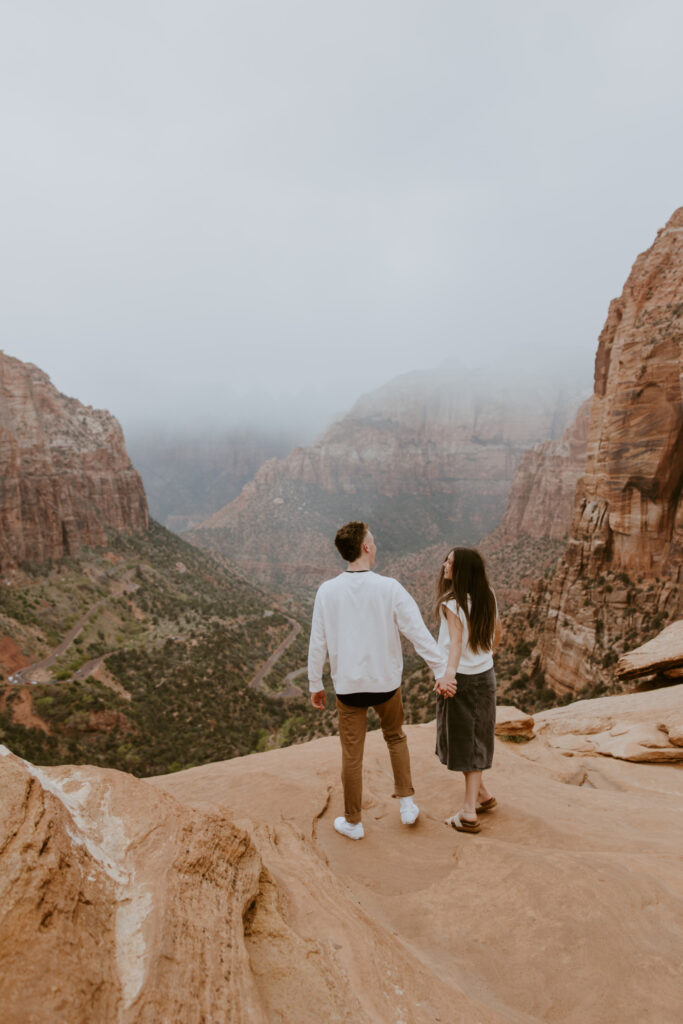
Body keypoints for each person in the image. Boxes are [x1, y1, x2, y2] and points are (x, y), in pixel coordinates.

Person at [308, 521, 448, 841]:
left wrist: (315, 683)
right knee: (395, 737)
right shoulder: (390, 587)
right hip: (386, 683)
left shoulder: (327, 591)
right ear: (366, 547)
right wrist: (439, 669)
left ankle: (354, 823)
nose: (376, 544)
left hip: (348, 688)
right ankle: (407, 803)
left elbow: (318, 642)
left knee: (351, 756)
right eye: (374, 540)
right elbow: (417, 633)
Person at [433, 547, 502, 834]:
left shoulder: (453, 603)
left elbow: (456, 642)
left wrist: (447, 676)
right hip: (485, 677)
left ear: (461, 571)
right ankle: (482, 795)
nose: (444, 565)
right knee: (475, 739)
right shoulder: (488, 594)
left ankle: (468, 812)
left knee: (466, 744)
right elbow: (497, 631)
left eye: (450, 562)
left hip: (462, 680)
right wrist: (488, 656)